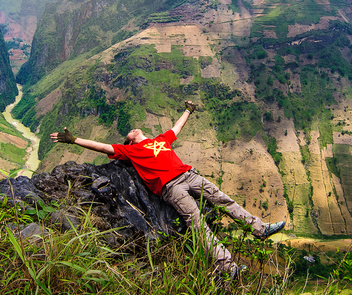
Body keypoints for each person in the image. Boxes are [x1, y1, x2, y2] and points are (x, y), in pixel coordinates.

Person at [50, 100, 286, 276]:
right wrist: (75, 140)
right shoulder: (131, 151)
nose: (133, 128)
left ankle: (260, 229)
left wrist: (188, 110)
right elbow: (102, 148)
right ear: (130, 141)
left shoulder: (160, 140)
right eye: (129, 132)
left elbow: (177, 128)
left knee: (224, 200)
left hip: (189, 175)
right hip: (171, 188)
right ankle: (228, 267)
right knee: (197, 223)